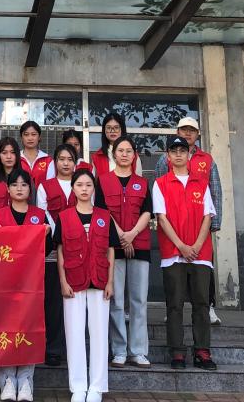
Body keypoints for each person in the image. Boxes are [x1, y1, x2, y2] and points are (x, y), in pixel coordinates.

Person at [154, 136, 217, 371]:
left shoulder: (201, 182)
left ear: (189, 155)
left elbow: (208, 216)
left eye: (183, 150)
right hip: (173, 252)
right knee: (175, 304)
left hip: (201, 253)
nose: (179, 154)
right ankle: (177, 351)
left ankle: (202, 351)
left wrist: (197, 245)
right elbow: (161, 218)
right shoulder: (160, 183)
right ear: (168, 156)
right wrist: (181, 246)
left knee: (201, 303)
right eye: (174, 151)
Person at [0, 168, 51, 401]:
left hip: (30, 285)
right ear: (7, 188)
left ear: (30, 189)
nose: (19, 188)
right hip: (3, 284)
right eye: (14, 184)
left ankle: (25, 381)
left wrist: (45, 234)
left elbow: (49, 249)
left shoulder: (40, 215)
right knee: (4, 329)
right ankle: (7, 381)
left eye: (24, 184)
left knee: (28, 329)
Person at [154, 116, 223, 325]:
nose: (188, 133)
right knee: (174, 276)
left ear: (198, 134)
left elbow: (215, 189)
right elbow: (160, 186)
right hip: (174, 226)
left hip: (200, 224)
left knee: (204, 269)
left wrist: (215, 222)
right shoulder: (164, 160)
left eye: (192, 130)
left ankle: (209, 307)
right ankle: (172, 310)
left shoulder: (207, 159)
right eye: (184, 129)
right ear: (178, 132)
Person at [55, 168, 115, 402]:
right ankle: (78, 387)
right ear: (73, 188)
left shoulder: (105, 216)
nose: (84, 189)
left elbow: (110, 250)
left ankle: (97, 387)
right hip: (73, 281)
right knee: (74, 334)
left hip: (99, 280)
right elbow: (60, 251)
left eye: (88, 185)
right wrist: (62, 281)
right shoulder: (64, 217)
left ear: (94, 189)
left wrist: (110, 281)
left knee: (99, 335)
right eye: (79, 185)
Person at [98, 137, 153, 369]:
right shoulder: (102, 181)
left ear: (134, 155)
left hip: (140, 245)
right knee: (117, 301)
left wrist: (132, 234)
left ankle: (138, 351)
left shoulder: (143, 182)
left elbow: (147, 212)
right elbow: (102, 212)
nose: (124, 154)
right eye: (120, 150)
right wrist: (122, 235)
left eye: (128, 151)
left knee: (139, 301)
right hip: (114, 247)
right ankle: (119, 350)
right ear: (114, 154)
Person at [34, 143, 80, 366]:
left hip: (78, 252)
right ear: (55, 162)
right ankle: (52, 349)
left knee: (75, 304)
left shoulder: (81, 183)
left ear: (76, 163)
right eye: (62, 159)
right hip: (53, 252)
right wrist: (59, 235)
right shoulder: (45, 186)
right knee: (53, 303)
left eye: (70, 159)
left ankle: (74, 350)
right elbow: (42, 215)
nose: (66, 163)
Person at [92, 112, 127, 178]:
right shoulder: (97, 157)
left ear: (122, 129)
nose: (112, 131)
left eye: (116, 127)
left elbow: (138, 181)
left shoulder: (132, 155)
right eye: (108, 128)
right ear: (104, 130)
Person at [19, 121, 53, 187]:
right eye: (26, 134)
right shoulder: (16, 158)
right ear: (21, 138)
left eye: (34, 134)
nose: (30, 138)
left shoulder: (48, 160)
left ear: (39, 137)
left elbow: (50, 185)